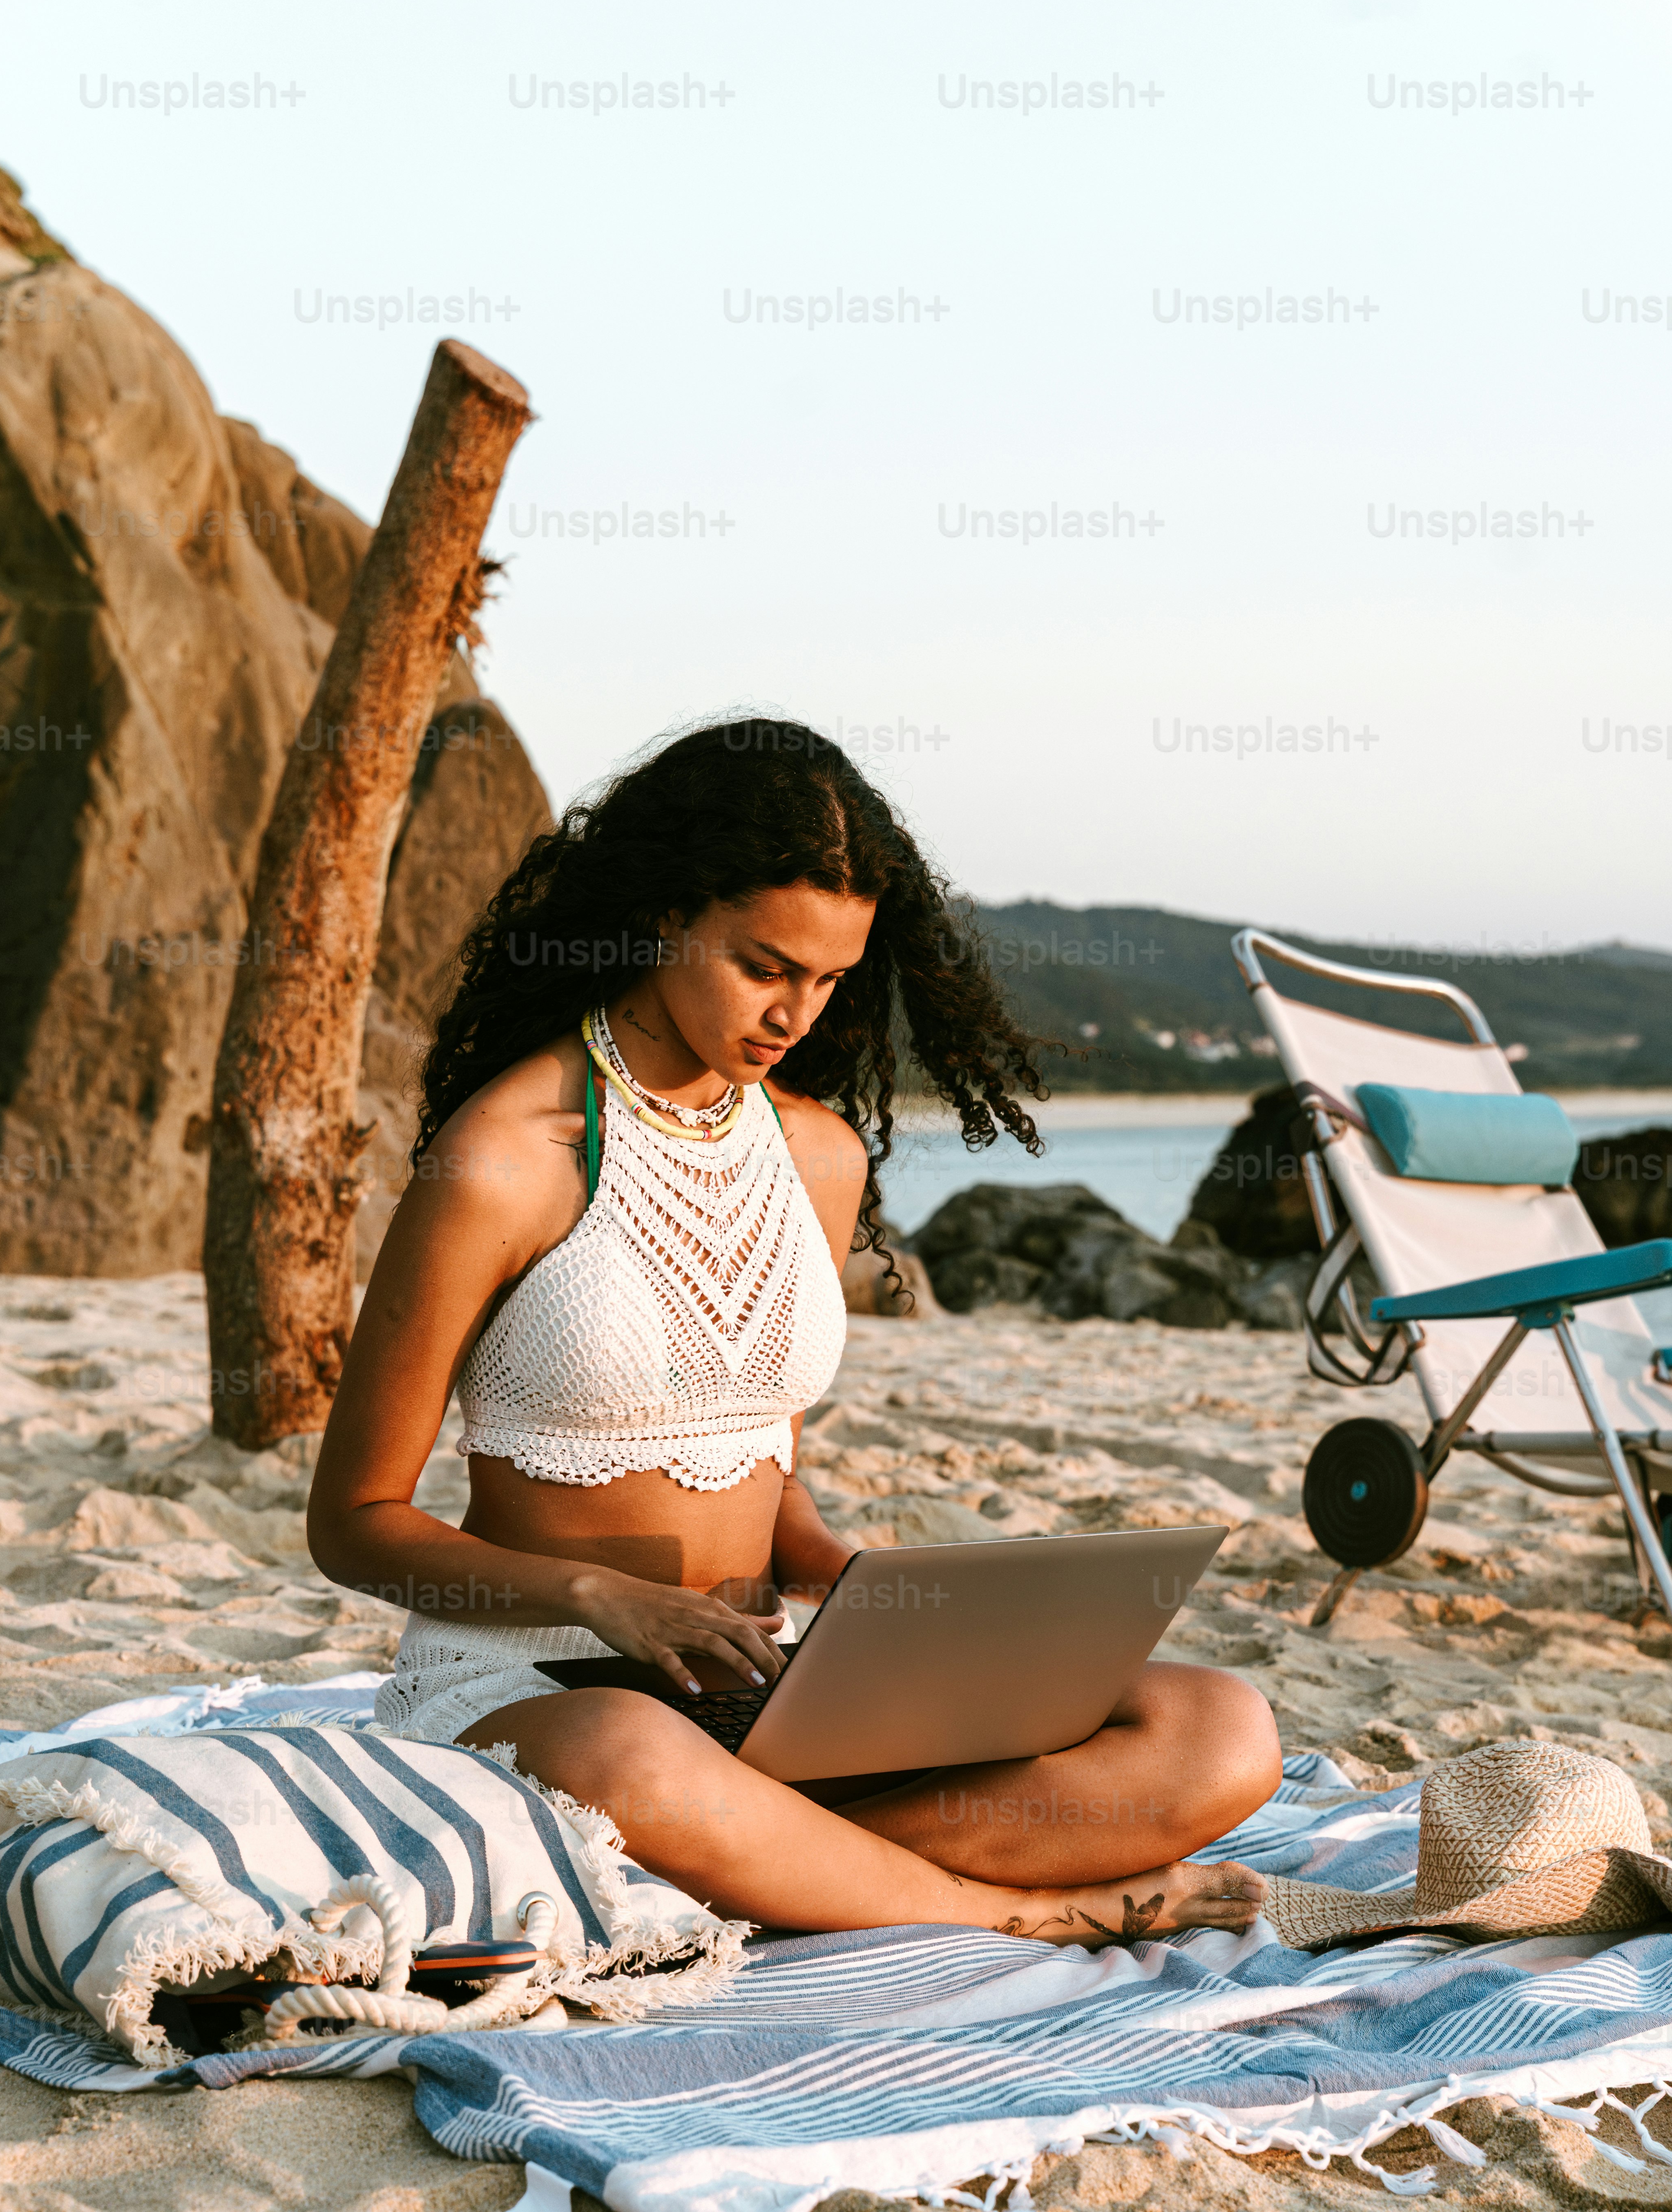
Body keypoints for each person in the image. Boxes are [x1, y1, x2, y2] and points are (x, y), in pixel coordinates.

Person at [307, 721, 1279, 1945]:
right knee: (635, 1762)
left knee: (1217, 1731)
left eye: (830, 981)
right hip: (541, 1690)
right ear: (666, 918)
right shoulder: (505, 1157)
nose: (797, 1014)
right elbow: (354, 1526)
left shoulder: (819, 1155)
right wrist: (602, 1596)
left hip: (768, 1694)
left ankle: (758, 1862)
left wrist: (855, 1581)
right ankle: (1029, 1914)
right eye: (766, 966)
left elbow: (768, 1461)